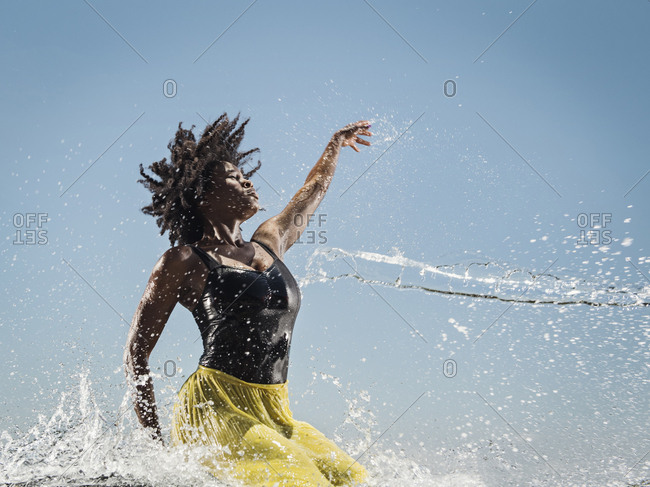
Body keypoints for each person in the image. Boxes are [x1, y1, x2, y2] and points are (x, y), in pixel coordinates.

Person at [124, 113, 372, 486]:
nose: (247, 180)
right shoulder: (183, 261)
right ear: (204, 196)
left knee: (353, 478)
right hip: (214, 406)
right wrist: (152, 449)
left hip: (274, 409)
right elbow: (136, 355)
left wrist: (334, 144)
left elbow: (314, 189)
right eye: (234, 178)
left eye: (244, 175)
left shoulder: (270, 241)